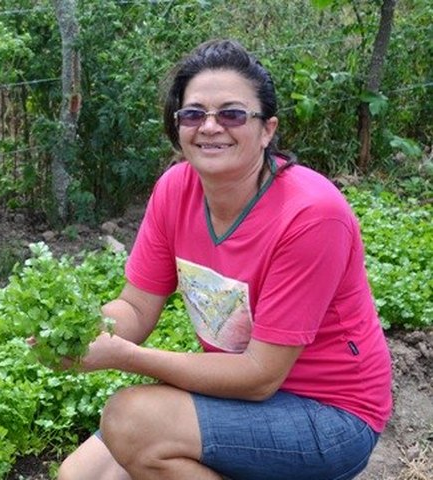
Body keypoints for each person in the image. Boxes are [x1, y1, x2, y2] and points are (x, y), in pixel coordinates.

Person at [55, 39, 392, 480]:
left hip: (329, 414)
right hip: (237, 398)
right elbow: (135, 308)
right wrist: (79, 333)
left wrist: (124, 356)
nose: (210, 127)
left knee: (132, 422)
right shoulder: (176, 189)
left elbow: (258, 375)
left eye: (232, 114)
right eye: (194, 114)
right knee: (80, 476)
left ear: (267, 129)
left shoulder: (312, 215)